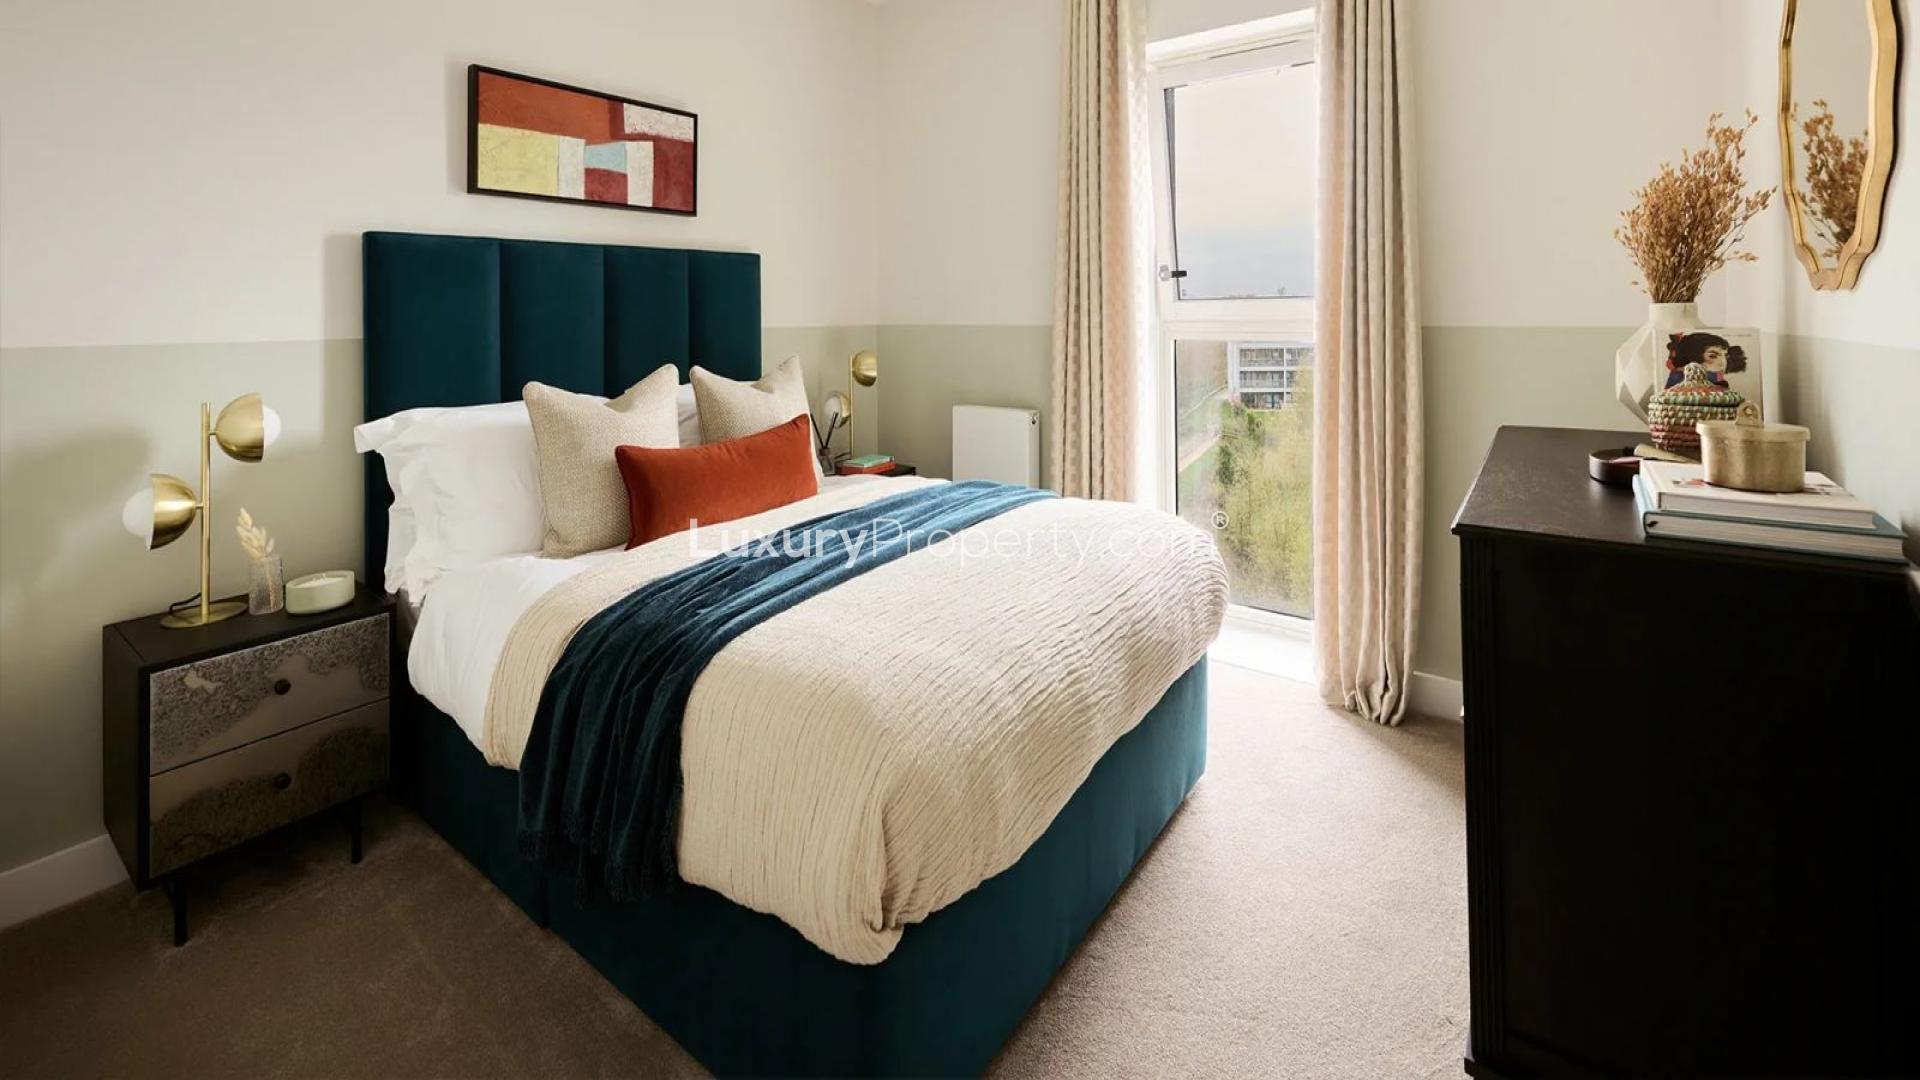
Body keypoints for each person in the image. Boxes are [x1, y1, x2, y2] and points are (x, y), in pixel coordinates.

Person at [1664, 332, 1747, 389]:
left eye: (1725, 356)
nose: (1723, 363)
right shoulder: (1679, 377)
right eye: (1712, 356)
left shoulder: (1717, 376)